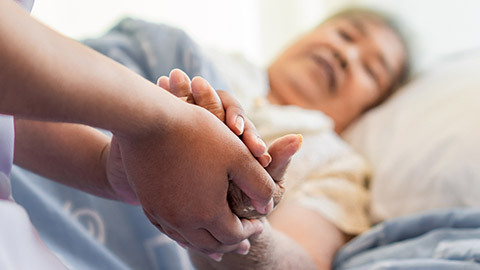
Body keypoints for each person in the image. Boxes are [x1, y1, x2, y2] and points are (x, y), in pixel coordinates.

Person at [0, 0, 293, 267]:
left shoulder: (331, 162)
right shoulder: (173, 50)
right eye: (341, 32)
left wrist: (105, 169)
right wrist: (157, 119)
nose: (339, 55)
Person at [153, 8, 407, 269]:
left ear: (369, 109)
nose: (346, 54)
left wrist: (236, 220)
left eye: (370, 69)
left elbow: (301, 260)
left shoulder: (339, 165)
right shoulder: (200, 58)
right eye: (345, 34)